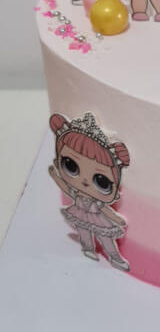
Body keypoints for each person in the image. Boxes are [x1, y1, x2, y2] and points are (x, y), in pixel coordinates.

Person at [49, 112, 130, 271]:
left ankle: (114, 257)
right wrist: (55, 176)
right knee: (84, 232)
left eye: (101, 181)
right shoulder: (77, 194)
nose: (85, 181)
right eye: (70, 165)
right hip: (79, 214)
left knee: (105, 237)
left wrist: (116, 218)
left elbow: (105, 210)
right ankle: (88, 248)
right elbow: (65, 187)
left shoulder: (96, 202)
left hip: (99, 220)